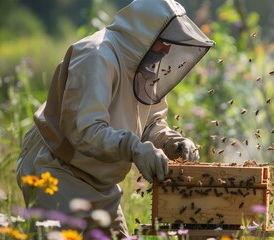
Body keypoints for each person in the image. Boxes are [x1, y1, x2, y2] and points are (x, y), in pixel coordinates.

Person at [15, 0, 215, 238]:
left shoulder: (145, 64)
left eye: (171, 41)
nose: (167, 49)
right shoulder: (96, 55)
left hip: (102, 182)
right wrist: (134, 148)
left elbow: (150, 122)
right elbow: (85, 130)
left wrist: (172, 142)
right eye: (163, 40)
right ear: (143, 31)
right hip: (59, 169)